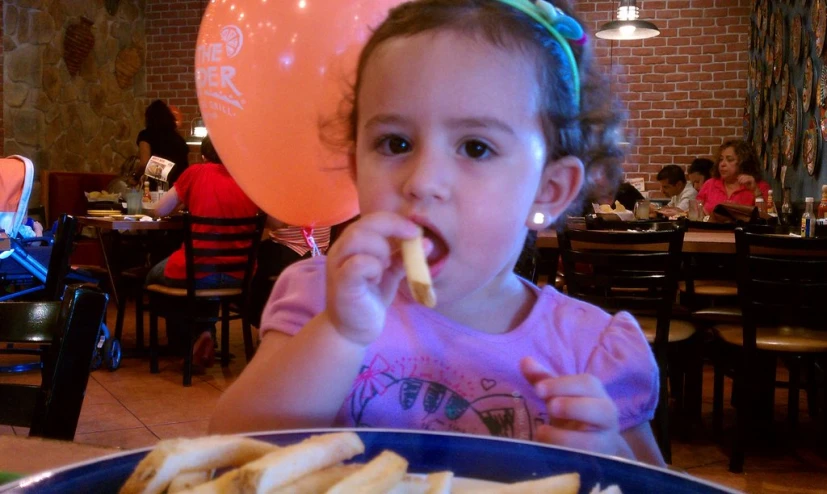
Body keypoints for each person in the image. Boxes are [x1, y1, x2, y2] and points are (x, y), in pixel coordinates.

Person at [210, 0, 664, 466]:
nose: (422, 181)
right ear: (355, 166)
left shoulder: (590, 350)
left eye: (475, 147)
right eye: (395, 143)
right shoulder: (319, 300)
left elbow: (658, 482)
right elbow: (232, 448)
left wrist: (608, 458)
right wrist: (341, 334)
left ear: (548, 190)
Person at [145, 135, 259, 368]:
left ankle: (190, 339)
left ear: (204, 156)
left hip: (197, 269)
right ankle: (205, 332)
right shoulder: (249, 178)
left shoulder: (196, 173)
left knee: (151, 279)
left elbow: (159, 209)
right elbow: (276, 223)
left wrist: (188, 200)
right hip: (239, 275)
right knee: (209, 285)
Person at [248, 219, 332, 328]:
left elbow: (275, 224)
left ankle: (259, 317)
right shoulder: (329, 201)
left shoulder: (287, 201)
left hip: (289, 252)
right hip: (320, 253)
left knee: (255, 254)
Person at [695, 140, 769, 214]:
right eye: (721, 159)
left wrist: (756, 191)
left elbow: (765, 218)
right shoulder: (710, 184)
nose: (722, 164)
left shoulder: (760, 186)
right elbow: (695, 212)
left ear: (743, 163)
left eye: (729, 160)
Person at [137, 100, 190, 188]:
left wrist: (136, 175)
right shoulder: (179, 139)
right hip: (179, 186)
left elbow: (144, 163)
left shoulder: (146, 135)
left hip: (157, 187)